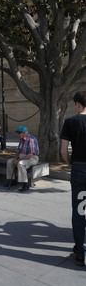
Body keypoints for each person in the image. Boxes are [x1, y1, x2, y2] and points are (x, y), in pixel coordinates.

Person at [60, 90, 86, 266]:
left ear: (77, 104)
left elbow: (63, 150)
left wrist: (70, 162)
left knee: (79, 212)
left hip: (79, 169)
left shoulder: (70, 122)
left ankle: (79, 252)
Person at [5, 125, 39, 192]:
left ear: (24, 133)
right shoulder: (21, 139)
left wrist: (18, 160)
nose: (18, 134)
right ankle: (11, 181)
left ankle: (25, 184)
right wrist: (15, 159)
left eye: (19, 133)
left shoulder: (31, 139)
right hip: (22, 156)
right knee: (9, 162)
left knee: (20, 164)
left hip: (32, 158)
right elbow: (18, 151)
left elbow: (30, 155)